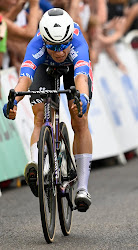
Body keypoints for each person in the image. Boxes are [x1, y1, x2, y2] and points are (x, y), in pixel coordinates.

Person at [2, 8, 93, 211]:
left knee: (80, 119)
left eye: (64, 46)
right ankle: (38, 166)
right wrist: (13, 101)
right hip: (44, 68)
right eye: (53, 46)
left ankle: (83, 188)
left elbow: (81, 78)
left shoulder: (78, 43)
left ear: (70, 39)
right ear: (45, 41)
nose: (60, 52)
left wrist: (83, 99)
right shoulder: (36, 44)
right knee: (40, 115)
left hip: (73, 70)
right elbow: (25, 78)